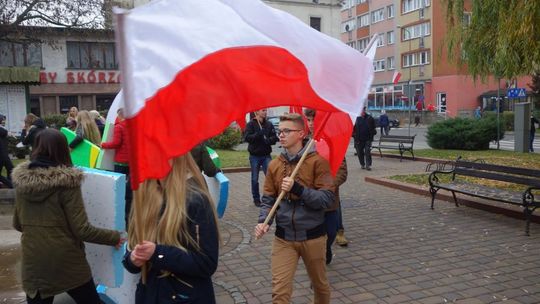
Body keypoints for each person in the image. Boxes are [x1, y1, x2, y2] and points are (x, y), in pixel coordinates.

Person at [12, 128, 123, 304]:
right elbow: (82, 229)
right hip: (67, 261)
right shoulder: (67, 182)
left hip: (34, 262)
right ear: (62, 149)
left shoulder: (21, 182)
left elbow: (18, 224)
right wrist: (115, 237)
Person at [255, 113, 335, 304]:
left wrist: (298, 189)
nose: (281, 135)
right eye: (279, 131)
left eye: (286, 131)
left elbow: (326, 199)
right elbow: (268, 199)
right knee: (280, 293)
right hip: (284, 238)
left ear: (301, 134)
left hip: (313, 236)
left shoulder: (318, 162)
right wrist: (263, 221)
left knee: (320, 287)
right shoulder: (274, 165)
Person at [122, 154, 220, 304]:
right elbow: (132, 253)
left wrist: (157, 253)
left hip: (185, 297)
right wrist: (133, 259)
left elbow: (206, 263)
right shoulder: (142, 194)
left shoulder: (196, 200)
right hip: (150, 295)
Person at [304, 109, 348, 262]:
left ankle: (327, 248)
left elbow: (342, 171)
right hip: (309, 200)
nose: (310, 124)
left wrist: (328, 186)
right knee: (313, 235)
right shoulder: (304, 143)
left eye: (313, 120)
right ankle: (317, 264)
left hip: (328, 200)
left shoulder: (332, 142)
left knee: (330, 232)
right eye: (308, 120)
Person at [101, 108, 132, 227]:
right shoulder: (132, 126)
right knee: (129, 184)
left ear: (119, 116)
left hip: (120, 161)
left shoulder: (119, 127)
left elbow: (116, 143)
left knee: (120, 186)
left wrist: (103, 145)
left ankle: (120, 207)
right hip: (130, 161)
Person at [244, 109, 278, 207]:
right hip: (254, 156)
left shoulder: (269, 124)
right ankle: (256, 199)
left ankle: (270, 197)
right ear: (257, 112)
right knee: (255, 179)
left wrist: (269, 140)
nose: (265, 112)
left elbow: (274, 138)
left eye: (266, 110)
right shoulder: (251, 124)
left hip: (266, 155)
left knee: (271, 177)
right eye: (263, 110)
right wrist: (259, 134)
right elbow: (247, 138)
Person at [0, 114, 13, 188]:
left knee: (10, 169)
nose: (3, 121)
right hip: (2, 154)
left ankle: (10, 184)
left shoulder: (2, 129)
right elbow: (5, 132)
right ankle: (10, 184)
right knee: (11, 168)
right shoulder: (2, 130)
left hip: (3, 154)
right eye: (2, 120)